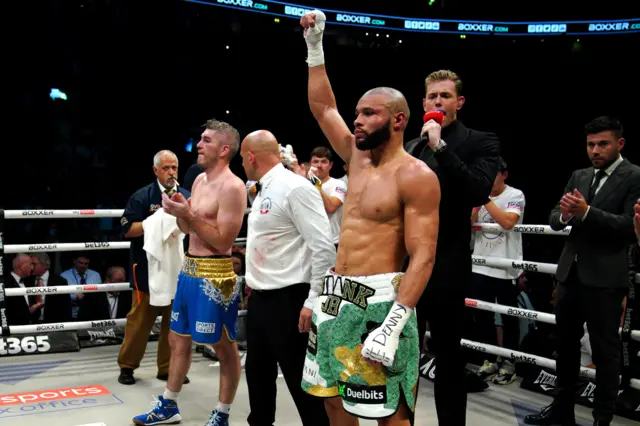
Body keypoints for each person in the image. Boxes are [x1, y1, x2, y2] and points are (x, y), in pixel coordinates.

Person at [299, 11, 441, 425]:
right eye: (357, 112)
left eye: (369, 114)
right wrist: (315, 46)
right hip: (335, 293)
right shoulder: (356, 159)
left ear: (398, 120)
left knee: (389, 414)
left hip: (381, 299)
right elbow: (323, 106)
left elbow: (423, 257)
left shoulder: (417, 177)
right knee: (331, 400)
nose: (357, 120)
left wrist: (393, 324)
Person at [525, 116, 640, 426]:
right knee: (565, 347)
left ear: (620, 143)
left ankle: (602, 419)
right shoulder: (580, 174)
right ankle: (561, 410)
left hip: (605, 279)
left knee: (605, 353)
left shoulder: (634, 176)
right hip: (570, 276)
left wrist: (587, 212)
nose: (595, 150)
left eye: (603, 143)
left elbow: (630, 227)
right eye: (591, 144)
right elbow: (553, 217)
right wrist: (563, 216)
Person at [132, 120, 247, 426]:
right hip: (189, 269)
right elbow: (187, 228)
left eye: (206, 140)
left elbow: (223, 240)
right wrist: (179, 211)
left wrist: (189, 215)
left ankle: (221, 413)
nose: (198, 144)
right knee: (177, 339)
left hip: (216, 276)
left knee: (223, 347)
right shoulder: (198, 181)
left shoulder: (233, 187)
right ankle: (168, 404)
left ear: (224, 150)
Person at [405, 69, 501, 424]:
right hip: (406, 264)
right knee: (402, 357)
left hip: (448, 265)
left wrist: (440, 147)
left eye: (445, 96)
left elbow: (477, 190)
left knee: (448, 358)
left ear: (459, 102)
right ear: (423, 102)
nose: (438, 102)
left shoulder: (481, 141)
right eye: (432, 96)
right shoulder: (409, 146)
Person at [241, 130, 334, 426]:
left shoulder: (295, 188)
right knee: (257, 378)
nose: (242, 163)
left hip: (290, 301)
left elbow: (323, 248)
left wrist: (312, 300)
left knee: (302, 385)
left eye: (243, 157)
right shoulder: (263, 188)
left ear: (251, 156)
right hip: (260, 299)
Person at [117, 150, 191, 386]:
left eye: (175, 168)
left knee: (174, 322)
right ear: (156, 170)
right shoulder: (141, 197)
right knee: (139, 322)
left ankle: (168, 369)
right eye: (167, 168)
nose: (171, 172)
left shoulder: (186, 196)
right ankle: (127, 367)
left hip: (177, 269)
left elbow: (194, 225)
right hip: (145, 270)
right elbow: (127, 229)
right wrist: (156, 223)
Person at [469, 158, 525, 385]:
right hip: (479, 264)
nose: (489, 179)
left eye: (494, 173)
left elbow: (508, 222)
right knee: (482, 315)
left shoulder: (515, 195)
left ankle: (510, 363)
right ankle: (490, 359)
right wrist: (475, 202)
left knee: (509, 318)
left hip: (506, 267)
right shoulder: (478, 196)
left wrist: (484, 199)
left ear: (504, 174)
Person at [307, 146, 348, 249]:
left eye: (324, 162)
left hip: (332, 241)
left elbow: (331, 207)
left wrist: (316, 185)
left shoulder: (339, 184)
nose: (319, 165)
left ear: (330, 165)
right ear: (310, 164)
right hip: (310, 242)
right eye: (315, 162)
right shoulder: (304, 185)